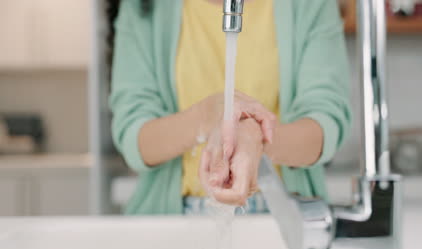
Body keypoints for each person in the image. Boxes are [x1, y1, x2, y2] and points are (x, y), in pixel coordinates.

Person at [109, 0, 351, 215]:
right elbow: (135, 137)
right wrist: (208, 117)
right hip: (172, 220)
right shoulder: (143, 6)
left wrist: (255, 138)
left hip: (285, 219)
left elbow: (325, 122)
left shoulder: (310, 4)